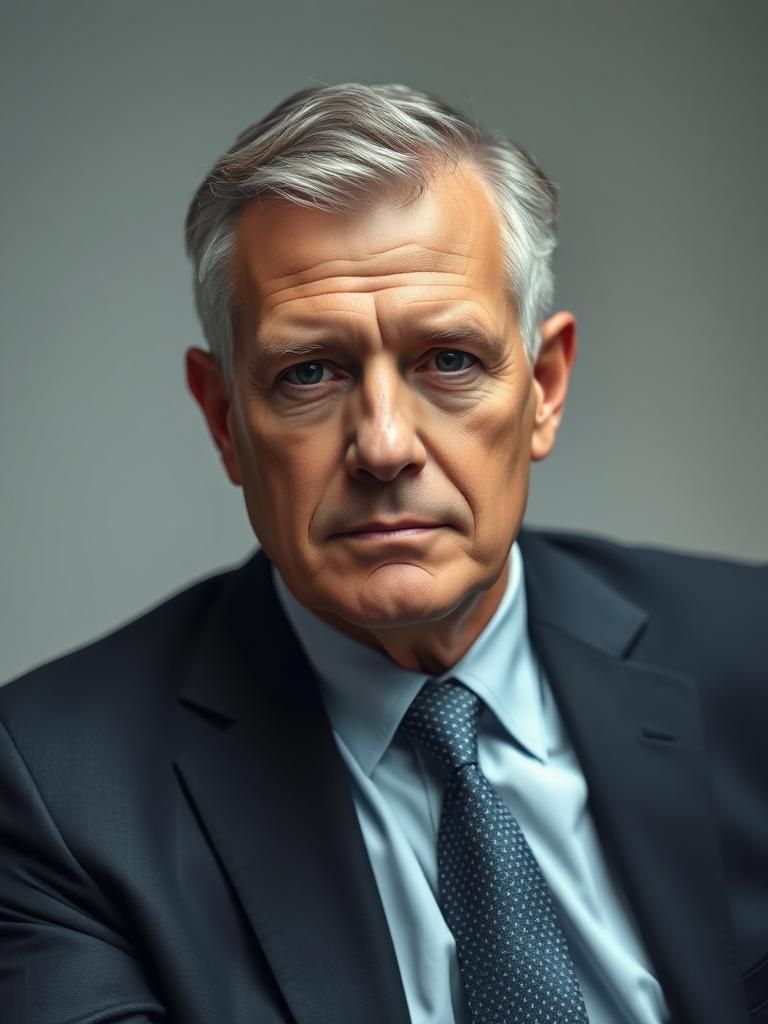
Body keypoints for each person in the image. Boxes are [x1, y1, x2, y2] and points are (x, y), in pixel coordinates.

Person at [0, 82, 765, 1024]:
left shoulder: (752, 657)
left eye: (449, 360)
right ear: (225, 419)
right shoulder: (57, 794)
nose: (386, 446)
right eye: (309, 373)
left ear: (546, 389)